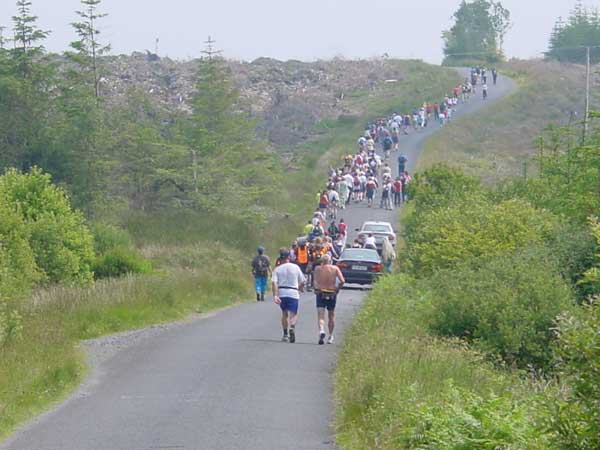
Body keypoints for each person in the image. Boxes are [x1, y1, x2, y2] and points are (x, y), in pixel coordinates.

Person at [272, 249, 306, 343]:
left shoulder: (277, 269)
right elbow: (303, 280)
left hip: (282, 292)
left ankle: (285, 334)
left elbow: (274, 283)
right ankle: (292, 326)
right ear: (289, 257)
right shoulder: (295, 267)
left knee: (284, 314)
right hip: (293, 292)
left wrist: (275, 295)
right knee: (293, 313)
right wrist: (300, 288)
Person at [313, 254, 345, 344]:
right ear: (330, 260)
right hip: (331, 293)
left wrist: (316, 289)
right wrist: (337, 288)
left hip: (321, 292)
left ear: (322, 261)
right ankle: (330, 336)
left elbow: (315, 281)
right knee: (331, 315)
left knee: (321, 315)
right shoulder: (335, 268)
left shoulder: (318, 269)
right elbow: (342, 281)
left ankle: (321, 330)